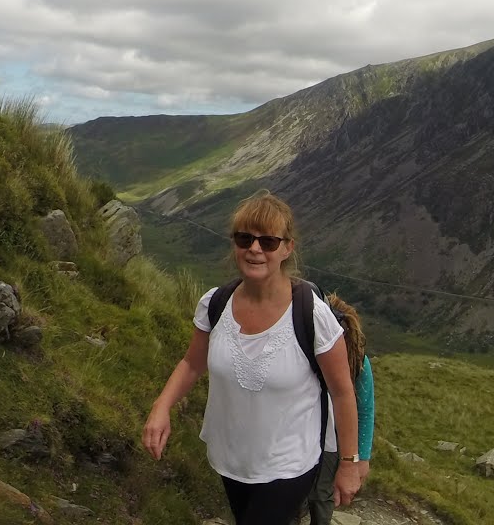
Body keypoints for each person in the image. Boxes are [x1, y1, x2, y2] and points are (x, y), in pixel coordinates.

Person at [142, 192, 361, 525]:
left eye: (268, 241)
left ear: (287, 248)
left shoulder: (312, 316)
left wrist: (349, 463)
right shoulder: (215, 304)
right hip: (231, 461)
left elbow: (343, 392)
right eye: (245, 238)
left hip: (289, 465)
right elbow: (191, 363)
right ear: (234, 244)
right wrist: (162, 406)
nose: (255, 249)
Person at [306, 293, 375, 525]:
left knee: (320, 495)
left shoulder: (357, 360)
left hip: (330, 443)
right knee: (314, 497)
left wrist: (359, 459)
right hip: (309, 438)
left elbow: (364, 408)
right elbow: (365, 409)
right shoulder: (352, 355)